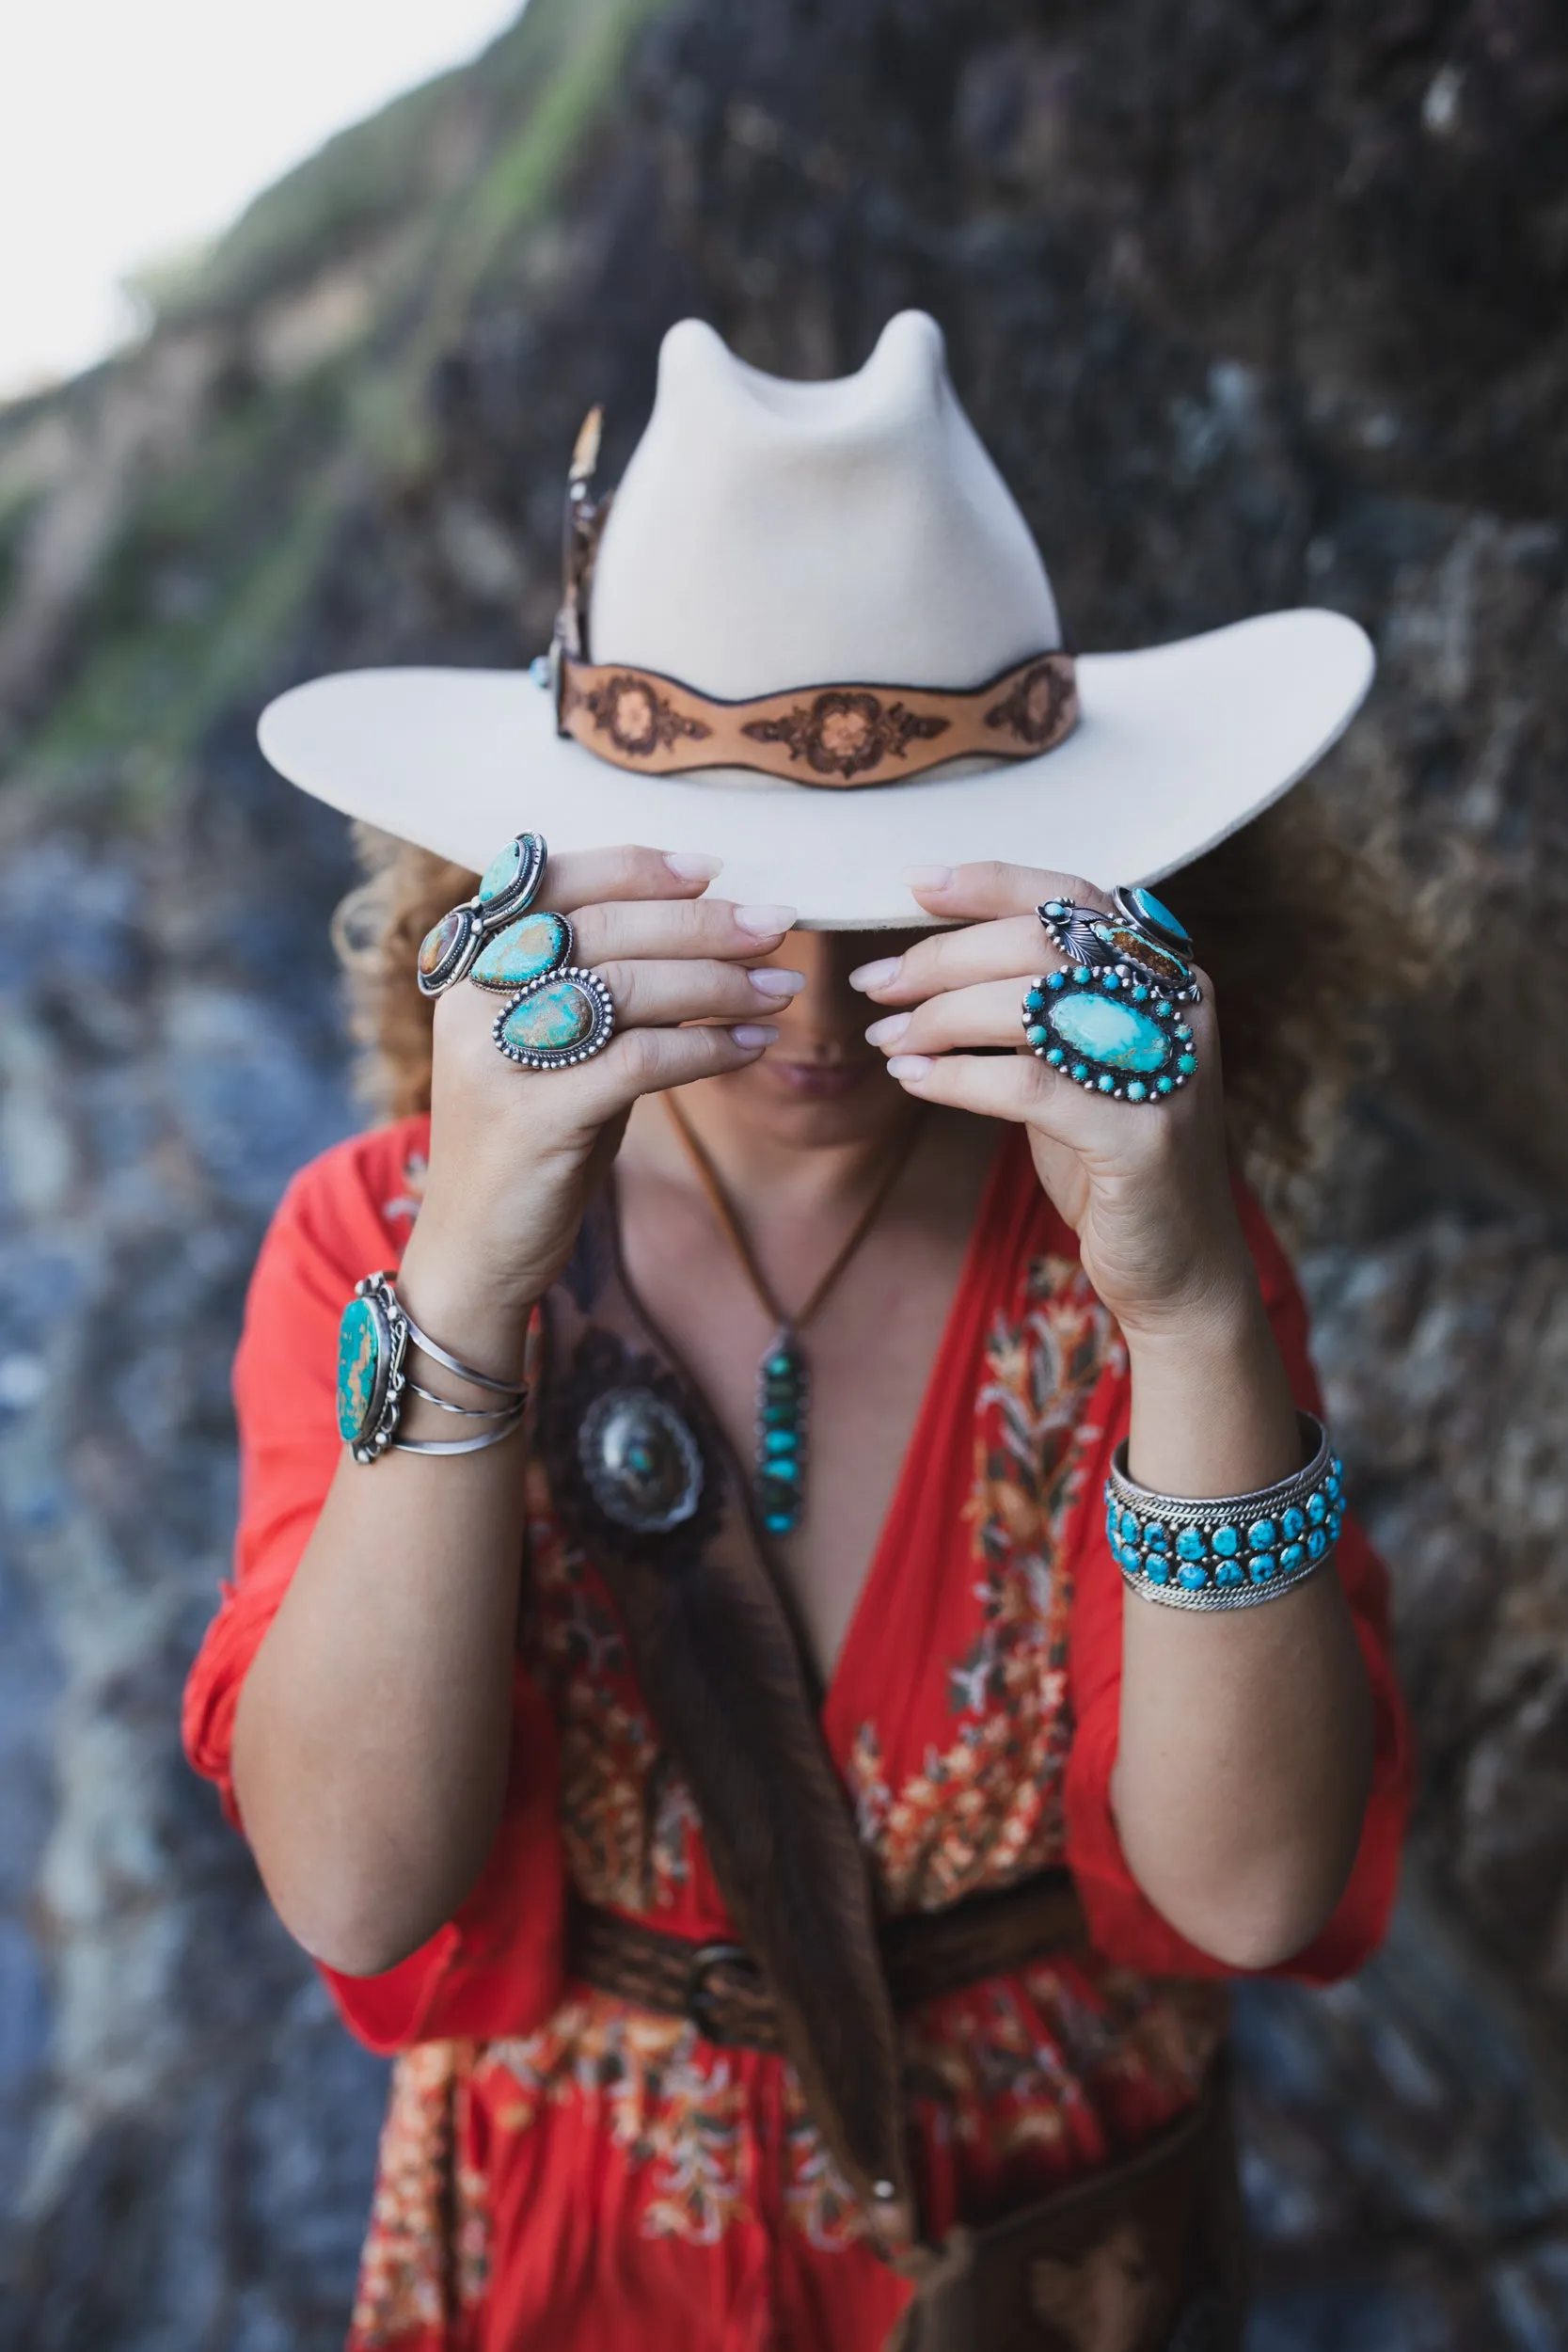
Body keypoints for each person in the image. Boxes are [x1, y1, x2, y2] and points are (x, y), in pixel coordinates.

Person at [183, 312, 1410, 2352]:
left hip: (1049, 2261)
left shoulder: (1130, 1243)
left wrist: (1187, 1303)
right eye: (741, 902)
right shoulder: (368, 1242)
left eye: (904, 907)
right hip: (582, 2260)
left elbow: (1250, 1891)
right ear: (553, 866)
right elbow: (349, 1886)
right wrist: (474, 1273)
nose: (822, 1017)